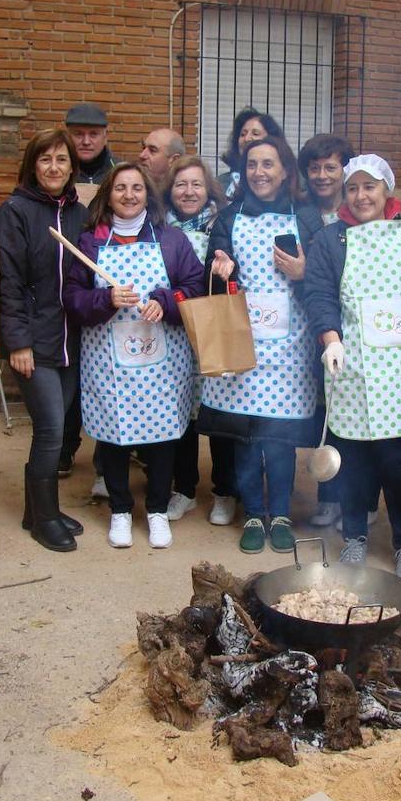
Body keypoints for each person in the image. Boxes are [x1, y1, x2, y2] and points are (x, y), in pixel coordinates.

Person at [305, 154, 401, 583]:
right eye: (354, 188)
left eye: (370, 187)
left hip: (400, 368)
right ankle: (356, 536)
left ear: (387, 191)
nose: (361, 196)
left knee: (395, 461)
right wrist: (330, 339)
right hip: (351, 364)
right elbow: (320, 294)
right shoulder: (330, 241)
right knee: (355, 460)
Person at [64, 163, 205, 549]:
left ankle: (157, 511)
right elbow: (73, 300)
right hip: (109, 364)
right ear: (108, 195)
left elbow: (193, 287)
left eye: (137, 188)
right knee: (113, 436)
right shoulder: (90, 243)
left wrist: (165, 301)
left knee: (162, 437)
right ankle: (122, 512)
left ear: (149, 195)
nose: (129, 195)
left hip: (163, 363)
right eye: (121, 188)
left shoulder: (172, 240)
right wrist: (104, 299)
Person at [202, 135, 323, 554]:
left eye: (268, 164)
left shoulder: (305, 217)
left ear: (285, 170)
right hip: (245, 346)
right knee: (248, 436)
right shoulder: (230, 217)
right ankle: (254, 511)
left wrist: (305, 271)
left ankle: (282, 513)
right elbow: (214, 277)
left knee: (282, 438)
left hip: (291, 347)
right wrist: (221, 267)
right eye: (253, 165)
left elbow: (325, 277)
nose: (260, 172)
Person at [0, 129, 89, 552]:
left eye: (62, 160)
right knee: (50, 428)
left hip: (71, 341)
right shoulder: (15, 211)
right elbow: (9, 281)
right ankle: (45, 519)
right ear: (33, 166)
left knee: (59, 425)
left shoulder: (79, 213)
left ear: (73, 167)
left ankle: (38, 508)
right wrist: (17, 341)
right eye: (45, 159)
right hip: (34, 341)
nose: (54, 167)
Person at [161, 155, 239, 526]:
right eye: (181, 184)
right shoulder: (159, 227)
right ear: (170, 190)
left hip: (213, 327)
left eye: (196, 184)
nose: (188, 191)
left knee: (219, 412)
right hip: (174, 332)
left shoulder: (223, 224)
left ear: (209, 188)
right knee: (181, 413)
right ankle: (185, 488)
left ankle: (224, 491)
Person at [297, 133, 361, 529]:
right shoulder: (298, 213)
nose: (322, 175)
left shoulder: (362, 212)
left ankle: (357, 498)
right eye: (315, 168)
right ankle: (329, 496)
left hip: (356, 329)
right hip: (311, 326)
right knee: (326, 411)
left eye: (331, 167)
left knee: (354, 413)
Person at [62, 103, 121, 490]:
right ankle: (64, 450)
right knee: (69, 379)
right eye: (78, 133)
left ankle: (105, 462)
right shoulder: (56, 166)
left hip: (106, 286)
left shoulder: (118, 174)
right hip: (64, 283)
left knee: (106, 379)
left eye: (93, 133)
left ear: (105, 135)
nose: (86, 140)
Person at [217, 108, 285, 199]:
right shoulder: (220, 184)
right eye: (243, 134)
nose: (247, 139)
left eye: (255, 133)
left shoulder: (292, 182)